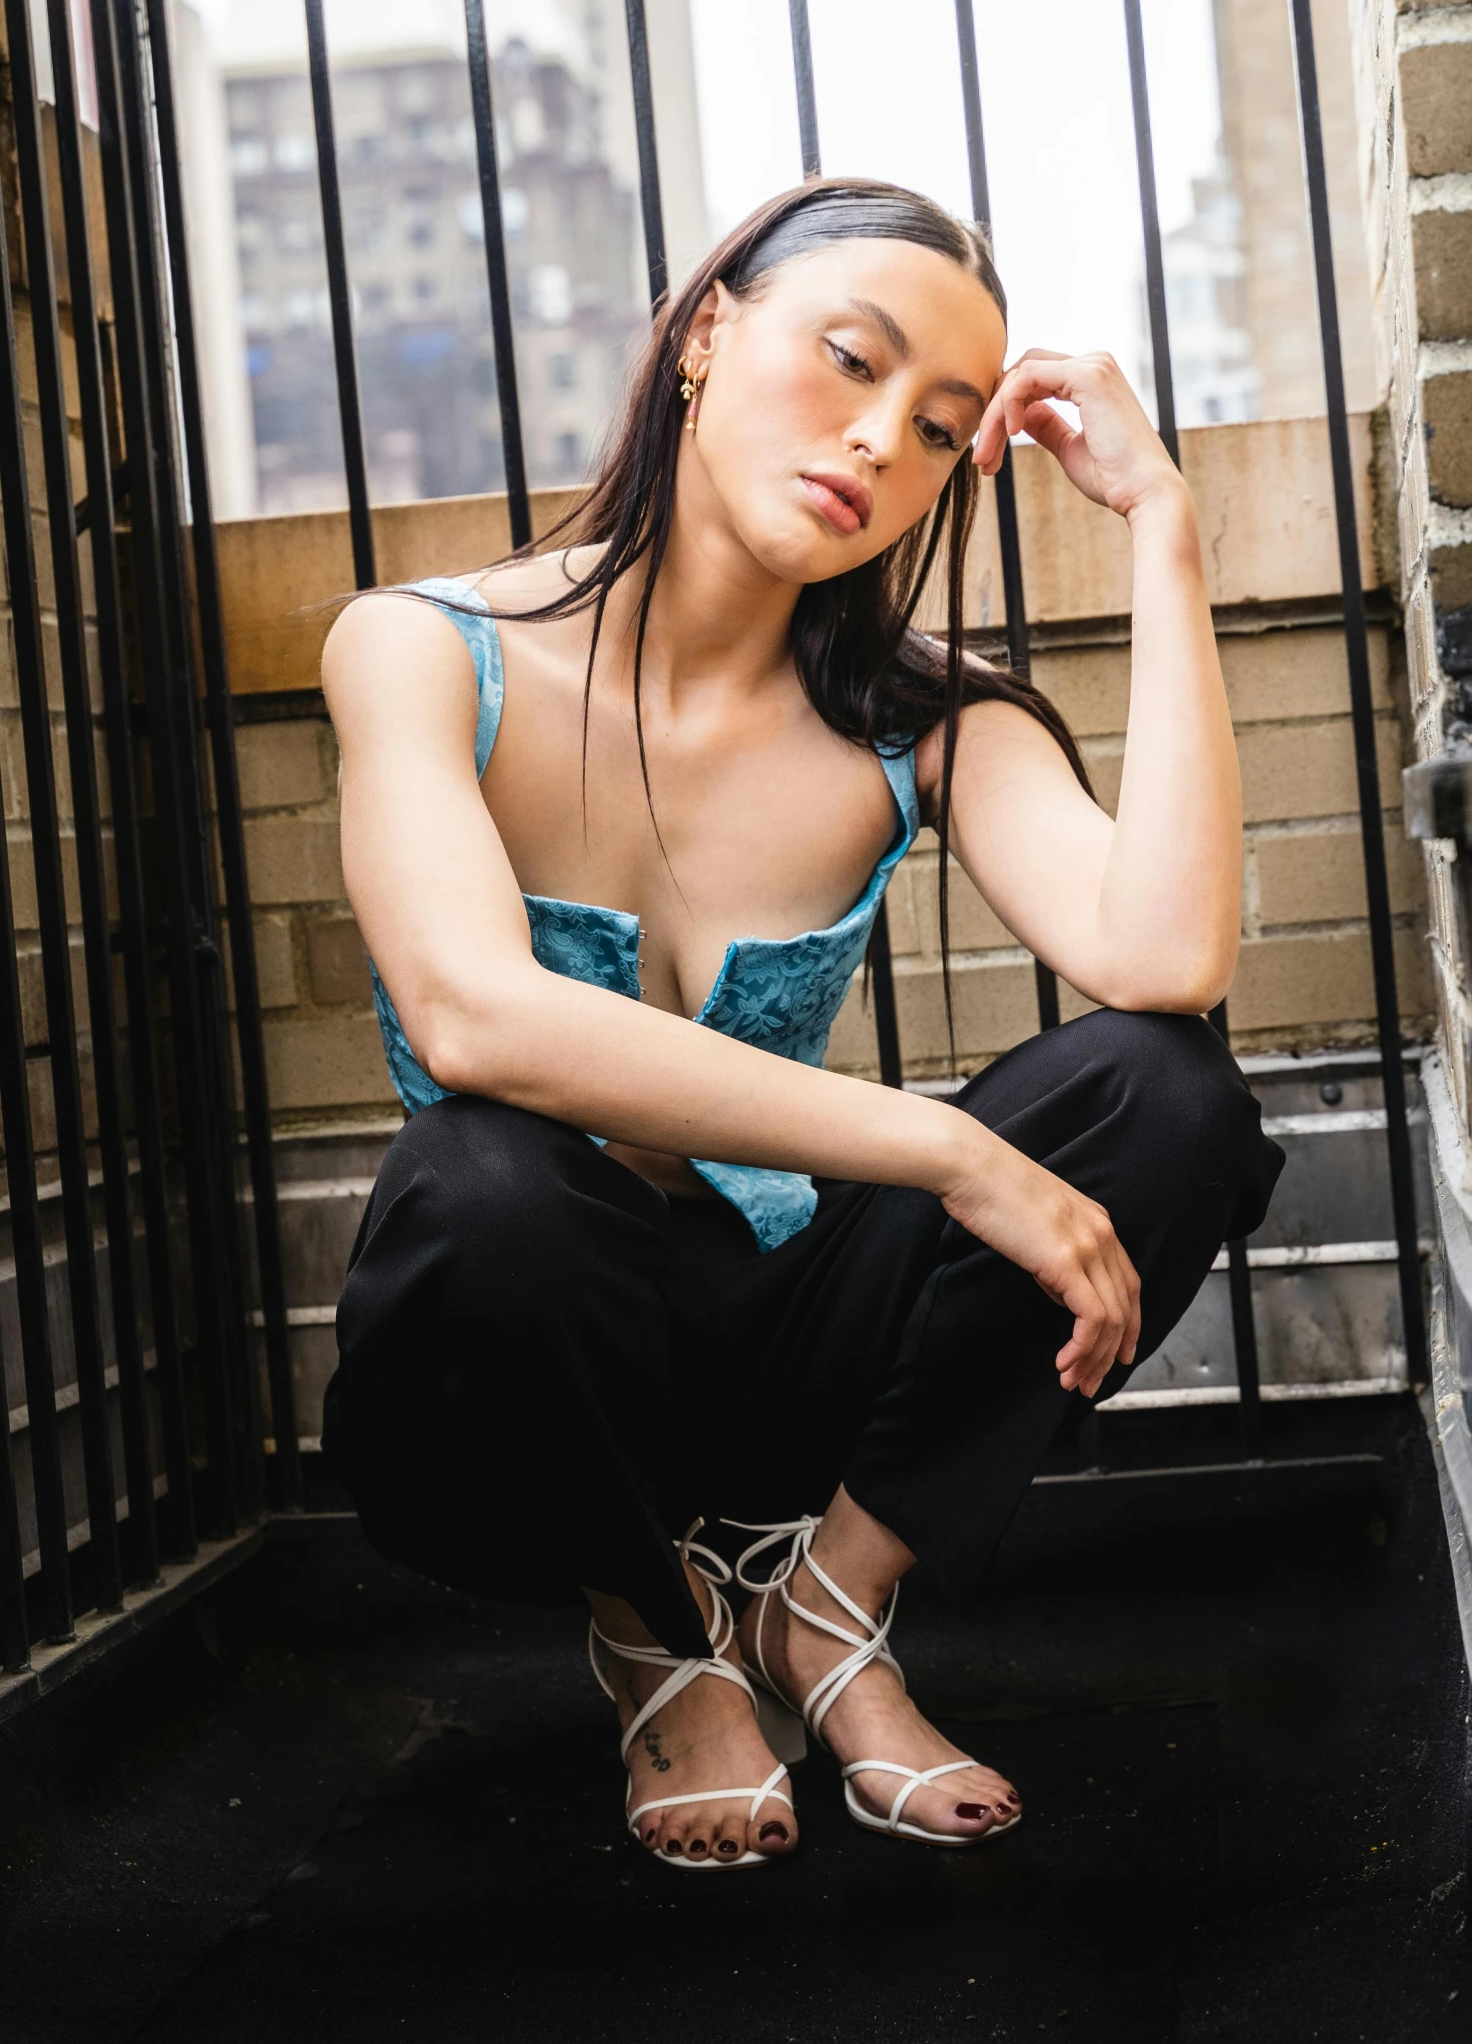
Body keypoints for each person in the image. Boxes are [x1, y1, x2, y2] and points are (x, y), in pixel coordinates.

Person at [320, 179, 1284, 1875]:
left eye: (930, 429)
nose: (871, 445)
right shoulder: (418, 651)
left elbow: (1164, 954)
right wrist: (944, 1146)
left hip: (803, 1362)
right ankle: (649, 1627)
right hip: (539, 1361)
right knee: (481, 1185)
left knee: (1169, 1090)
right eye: (844, 360)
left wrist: (1158, 530)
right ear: (706, 337)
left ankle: (823, 1605)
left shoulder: (917, 719)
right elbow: (471, 1015)